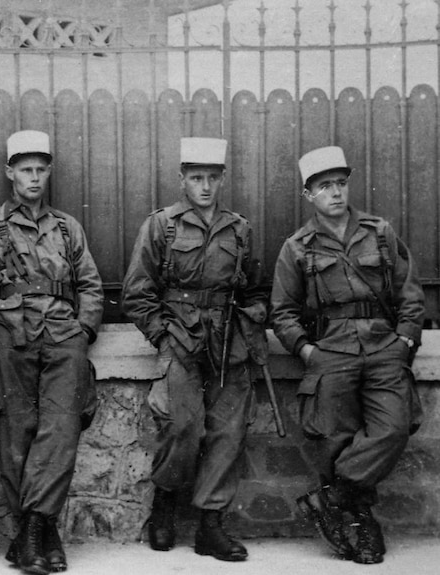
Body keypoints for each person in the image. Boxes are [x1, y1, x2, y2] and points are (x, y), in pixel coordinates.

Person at [270, 146, 424, 565]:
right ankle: (359, 523)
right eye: (324, 186)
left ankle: (333, 497)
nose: (335, 193)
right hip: (331, 350)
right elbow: (282, 311)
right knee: (334, 440)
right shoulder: (297, 247)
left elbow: (409, 294)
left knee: (393, 428)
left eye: (340, 183)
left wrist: (405, 341)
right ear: (309, 195)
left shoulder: (379, 232)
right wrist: (306, 350)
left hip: (382, 346)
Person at [0, 130, 104, 575]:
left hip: (63, 335)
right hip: (10, 334)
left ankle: (33, 530)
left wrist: (83, 329)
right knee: (16, 430)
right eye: (26, 169)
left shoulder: (67, 227)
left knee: (61, 428)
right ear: (10, 173)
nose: (35, 177)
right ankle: (41, 533)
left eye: (42, 169)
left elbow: (91, 286)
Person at [121, 137, 268, 562]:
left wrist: (253, 318)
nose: (204, 186)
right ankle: (164, 503)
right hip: (180, 339)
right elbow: (136, 292)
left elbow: (256, 289)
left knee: (228, 430)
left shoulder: (239, 229)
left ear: (222, 179)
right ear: (182, 178)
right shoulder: (161, 226)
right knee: (182, 427)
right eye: (196, 177)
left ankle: (210, 524)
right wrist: (162, 335)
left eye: (212, 178)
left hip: (230, 342)